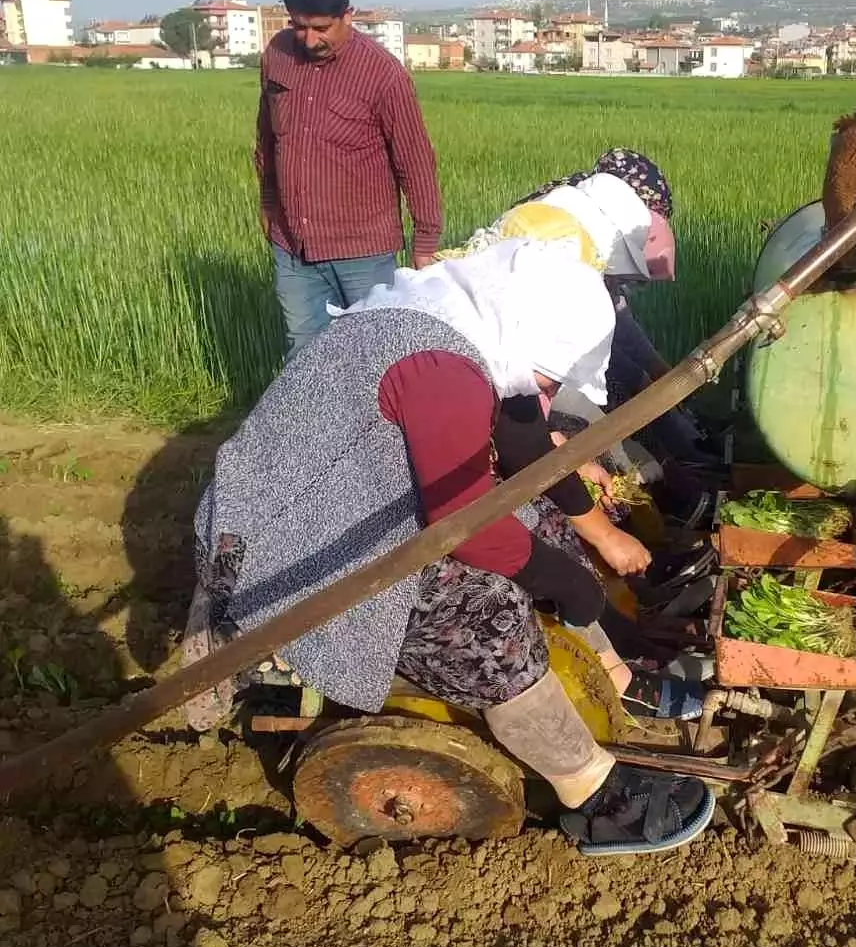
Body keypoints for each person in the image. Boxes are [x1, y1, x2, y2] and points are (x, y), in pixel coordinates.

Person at [183, 239, 714, 856]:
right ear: (529, 331)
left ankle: (611, 677)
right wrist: (566, 582)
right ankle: (595, 797)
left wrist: (582, 557)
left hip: (342, 500)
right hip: (290, 543)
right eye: (550, 374)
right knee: (481, 614)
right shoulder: (439, 364)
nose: (547, 389)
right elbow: (466, 522)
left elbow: (525, 451)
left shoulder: (466, 316)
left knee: (536, 517)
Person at [441, 148, 717, 470]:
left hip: (499, 363)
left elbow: (619, 322)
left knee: (618, 398)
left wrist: (662, 376)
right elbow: (541, 366)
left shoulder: (586, 230)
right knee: (597, 431)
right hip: (498, 364)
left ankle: (676, 458)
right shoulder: (565, 242)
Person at [256, 0, 445, 358]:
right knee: (304, 356)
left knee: (372, 358)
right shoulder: (277, 55)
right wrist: (269, 201)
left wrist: (425, 242)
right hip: (293, 246)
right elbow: (267, 137)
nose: (308, 40)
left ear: (348, 16)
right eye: (298, 26)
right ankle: (309, 424)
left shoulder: (383, 74)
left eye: (321, 28)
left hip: (364, 254)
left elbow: (415, 161)